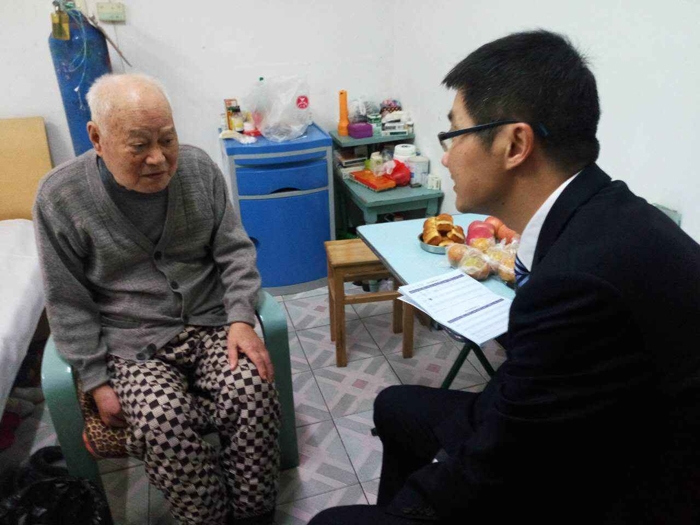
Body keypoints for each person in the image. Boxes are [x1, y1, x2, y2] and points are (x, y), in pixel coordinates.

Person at [310, 30, 700, 524]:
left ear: (515, 143)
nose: (445, 156)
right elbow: (525, 389)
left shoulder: (577, 282)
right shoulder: (601, 210)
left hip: (619, 480)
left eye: (453, 134)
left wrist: (418, 505)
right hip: (585, 429)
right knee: (397, 405)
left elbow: (500, 466)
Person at [34, 73, 280, 525]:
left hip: (211, 321)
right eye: (139, 145)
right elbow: (66, 299)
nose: (158, 158)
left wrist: (241, 318)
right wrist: (96, 381)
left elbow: (235, 250)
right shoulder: (60, 196)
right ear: (97, 139)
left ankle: (254, 512)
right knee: (162, 421)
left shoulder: (199, 170)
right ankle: (206, 517)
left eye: (168, 139)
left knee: (252, 390)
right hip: (131, 340)